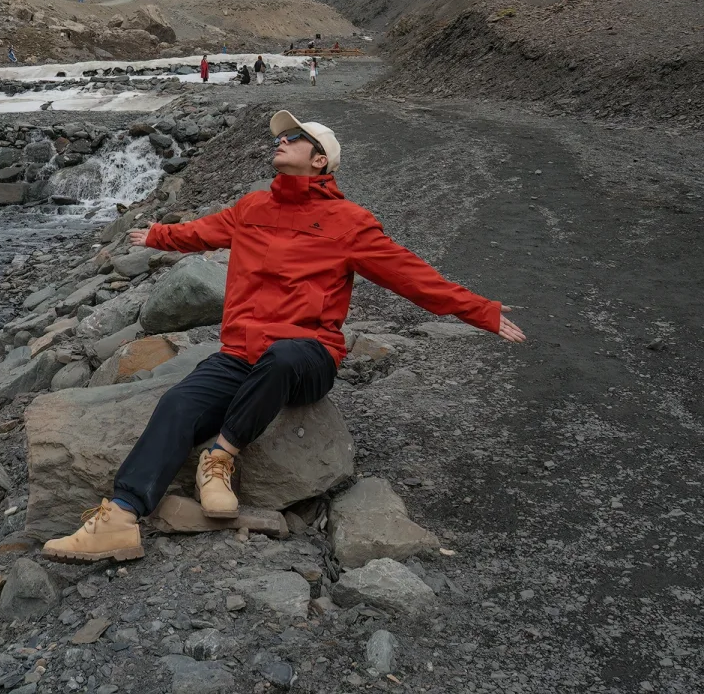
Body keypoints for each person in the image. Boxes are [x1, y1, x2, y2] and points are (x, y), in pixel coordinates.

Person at [42, 110, 525, 563]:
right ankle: (122, 516)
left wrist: (479, 311)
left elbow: (412, 276)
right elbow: (202, 231)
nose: (281, 140)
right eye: (280, 136)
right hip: (241, 354)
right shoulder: (252, 207)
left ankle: (221, 455)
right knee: (178, 403)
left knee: (283, 357)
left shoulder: (349, 223)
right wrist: (157, 236)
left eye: (294, 137)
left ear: (320, 160)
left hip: (308, 357)